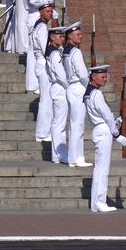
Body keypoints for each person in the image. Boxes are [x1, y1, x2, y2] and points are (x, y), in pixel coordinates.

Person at [84, 64, 126, 212]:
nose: (105, 79)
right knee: (103, 169)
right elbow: (105, 114)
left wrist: (117, 121)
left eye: (105, 76)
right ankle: (100, 202)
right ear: (93, 76)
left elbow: (102, 116)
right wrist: (117, 135)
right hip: (104, 132)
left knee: (100, 168)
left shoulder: (89, 92)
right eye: (102, 76)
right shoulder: (96, 94)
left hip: (100, 129)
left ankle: (96, 203)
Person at [62, 22, 90, 168]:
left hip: (71, 87)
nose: (81, 36)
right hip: (78, 87)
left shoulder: (66, 50)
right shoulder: (75, 52)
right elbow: (82, 74)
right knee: (78, 125)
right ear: (69, 36)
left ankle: (74, 157)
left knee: (75, 124)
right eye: (77, 34)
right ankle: (76, 157)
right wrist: (90, 88)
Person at [31, 0, 58, 142]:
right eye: (47, 11)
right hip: (43, 63)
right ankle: (42, 132)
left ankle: (43, 131)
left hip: (41, 63)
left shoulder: (40, 25)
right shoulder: (41, 27)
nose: (50, 13)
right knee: (46, 100)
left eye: (51, 11)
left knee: (47, 99)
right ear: (41, 12)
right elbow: (44, 48)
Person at [43, 23, 70, 162]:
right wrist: (68, 86)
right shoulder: (54, 53)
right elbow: (60, 74)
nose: (62, 39)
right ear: (52, 37)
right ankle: (59, 154)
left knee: (58, 122)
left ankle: (58, 154)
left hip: (57, 87)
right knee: (59, 123)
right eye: (60, 36)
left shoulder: (53, 50)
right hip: (60, 87)